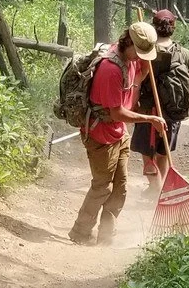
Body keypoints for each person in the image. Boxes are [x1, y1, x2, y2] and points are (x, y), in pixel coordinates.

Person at [69, 21, 167, 245]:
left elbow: (128, 102)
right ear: (128, 42)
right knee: (102, 186)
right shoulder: (110, 69)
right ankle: (80, 232)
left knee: (121, 187)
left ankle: (106, 235)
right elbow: (117, 113)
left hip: (118, 133)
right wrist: (150, 119)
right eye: (139, 52)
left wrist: (141, 75)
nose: (141, 57)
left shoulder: (131, 61)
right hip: (100, 134)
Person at [131, 8, 189, 184]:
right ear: (174, 27)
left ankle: (154, 187)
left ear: (153, 27)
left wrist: (133, 104)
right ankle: (160, 188)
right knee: (163, 153)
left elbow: (137, 80)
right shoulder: (184, 54)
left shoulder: (146, 51)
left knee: (147, 152)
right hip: (172, 111)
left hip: (147, 110)